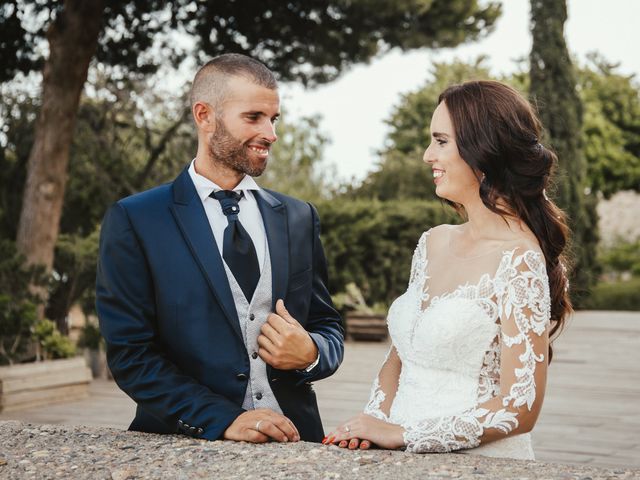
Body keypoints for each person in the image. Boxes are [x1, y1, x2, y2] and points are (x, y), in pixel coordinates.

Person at [96, 53, 344, 444]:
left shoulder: (298, 217)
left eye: (273, 119)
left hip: (296, 441)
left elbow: (328, 326)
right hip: (185, 443)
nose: (271, 133)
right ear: (204, 115)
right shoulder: (137, 219)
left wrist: (312, 352)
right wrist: (222, 419)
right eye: (253, 117)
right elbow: (131, 354)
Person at [325, 80, 571, 459]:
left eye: (440, 141)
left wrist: (405, 434)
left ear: (483, 151)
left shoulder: (519, 259)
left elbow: (520, 408)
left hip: (476, 461)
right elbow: (401, 357)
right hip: (395, 455)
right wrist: (371, 425)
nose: (427, 155)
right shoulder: (432, 243)